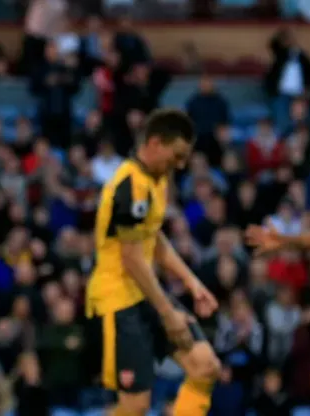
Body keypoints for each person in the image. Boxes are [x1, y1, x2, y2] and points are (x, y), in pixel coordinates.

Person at [86, 109, 221, 415]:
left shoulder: (156, 179)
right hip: (118, 300)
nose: (181, 165)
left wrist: (191, 282)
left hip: (145, 292)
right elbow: (132, 258)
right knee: (135, 407)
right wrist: (168, 314)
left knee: (205, 366)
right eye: (177, 156)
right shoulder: (129, 186)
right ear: (156, 143)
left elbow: (154, 238)